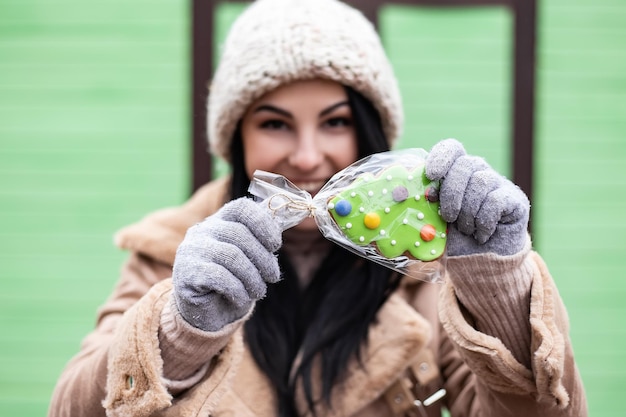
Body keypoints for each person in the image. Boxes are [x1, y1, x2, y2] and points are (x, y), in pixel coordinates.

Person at [48, 0, 587, 416]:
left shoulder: (428, 269)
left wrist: (500, 288)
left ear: (371, 134)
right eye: (275, 123)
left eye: (335, 121)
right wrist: (178, 332)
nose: (308, 157)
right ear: (236, 142)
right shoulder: (168, 257)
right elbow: (71, 406)